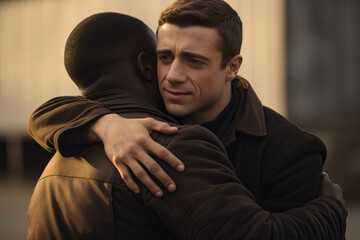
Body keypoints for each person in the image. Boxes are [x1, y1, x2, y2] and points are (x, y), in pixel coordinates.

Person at [27, 12, 347, 239]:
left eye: (194, 61)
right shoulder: (152, 137)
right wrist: (332, 208)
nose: (173, 75)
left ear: (232, 67)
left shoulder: (291, 148)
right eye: (165, 57)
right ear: (148, 65)